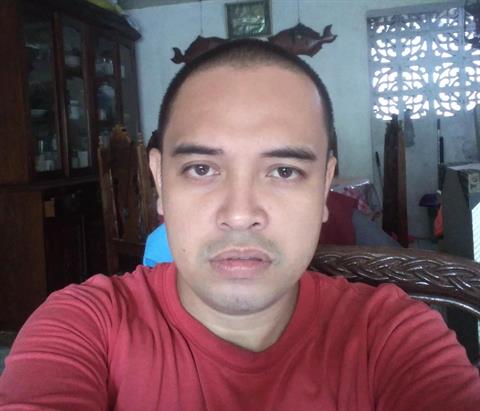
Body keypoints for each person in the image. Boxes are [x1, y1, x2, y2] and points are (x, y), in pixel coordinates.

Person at [1, 39, 479, 410]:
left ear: (324, 187)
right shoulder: (85, 327)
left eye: (284, 171)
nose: (239, 213)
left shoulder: (393, 335)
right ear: (160, 181)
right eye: (201, 169)